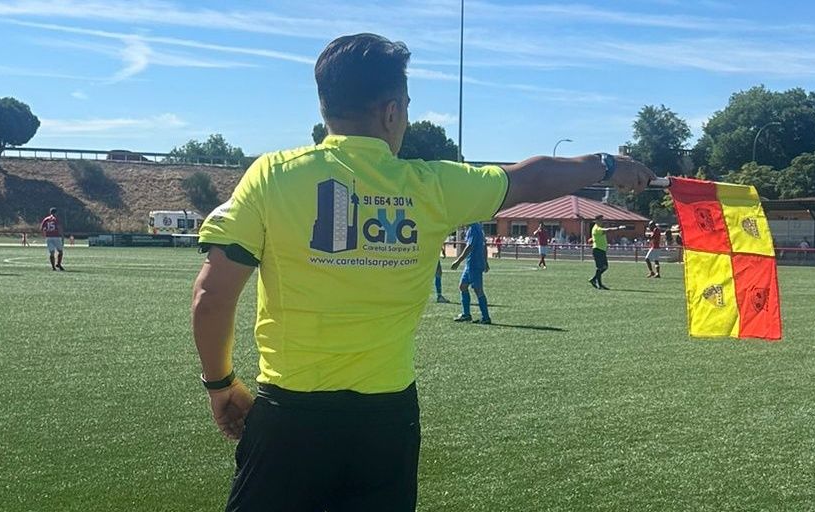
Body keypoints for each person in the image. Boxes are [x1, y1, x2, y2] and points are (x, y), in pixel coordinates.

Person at [188, 33, 656, 512]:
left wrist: (220, 384)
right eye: (407, 106)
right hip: (385, 424)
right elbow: (531, 178)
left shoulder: (272, 175)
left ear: (326, 103)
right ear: (392, 111)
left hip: (290, 418)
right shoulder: (433, 186)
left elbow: (212, 295)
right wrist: (607, 165)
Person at [449, 223, 491, 324]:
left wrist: (458, 261)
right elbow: (484, 246)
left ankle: (486, 317)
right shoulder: (478, 227)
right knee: (463, 286)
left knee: (478, 290)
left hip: (474, 264)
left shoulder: (473, 228)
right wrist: (485, 261)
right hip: (470, 264)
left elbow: (470, 246)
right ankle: (466, 314)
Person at [588, 215, 628, 290]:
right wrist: (618, 228)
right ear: (596, 221)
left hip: (601, 250)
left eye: (602, 220)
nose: (602, 221)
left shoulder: (597, 228)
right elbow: (608, 230)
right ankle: (599, 284)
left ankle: (594, 279)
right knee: (600, 267)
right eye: (600, 220)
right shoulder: (597, 228)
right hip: (598, 250)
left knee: (605, 267)